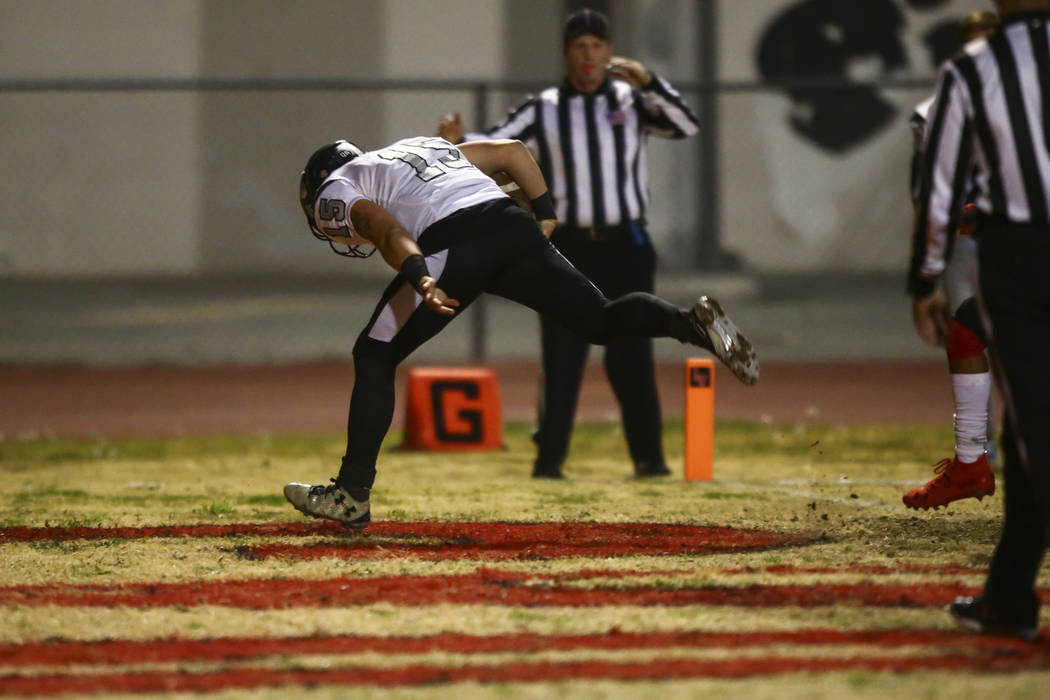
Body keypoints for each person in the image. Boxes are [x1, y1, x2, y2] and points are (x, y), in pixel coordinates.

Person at [284, 135, 759, 531]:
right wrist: (545, 212)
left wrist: (418, 274)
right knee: (600, 318)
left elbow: (383, 228)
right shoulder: (419, 146)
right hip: (510, 225)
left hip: (455, 240)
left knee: (373, 355)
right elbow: (512, 152)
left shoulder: (337, 190)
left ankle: (351, 494)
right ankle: (689, 322)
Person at [435, 8, 703, 479]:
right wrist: (455, 143)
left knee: (632, 354)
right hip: (570, 243)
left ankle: (650, 460)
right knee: (562, 351)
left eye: (598, 46)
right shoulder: (545, 106)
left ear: (609, 50)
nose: (589, 55)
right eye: (580, 46)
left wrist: (650, 82)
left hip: (625, 242)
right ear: (566, 52)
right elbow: (497, 142)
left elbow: (686, 125)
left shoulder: (631, 99)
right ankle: (550, 461)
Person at [910, 0, 1050, 639]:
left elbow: (937, 187)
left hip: (1022, 256)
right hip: (1009, 249)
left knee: (1035, 424)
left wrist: (923, 276)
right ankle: (1008, 597)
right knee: (1027, 425)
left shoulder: (975, 68)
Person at [904, 10, 1000, 511]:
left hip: (1021, 239)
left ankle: (976, 458)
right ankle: (976, 455)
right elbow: (929, 196)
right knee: (970, 332)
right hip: (981, 240)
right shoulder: (941, 108)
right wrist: (926, 272)